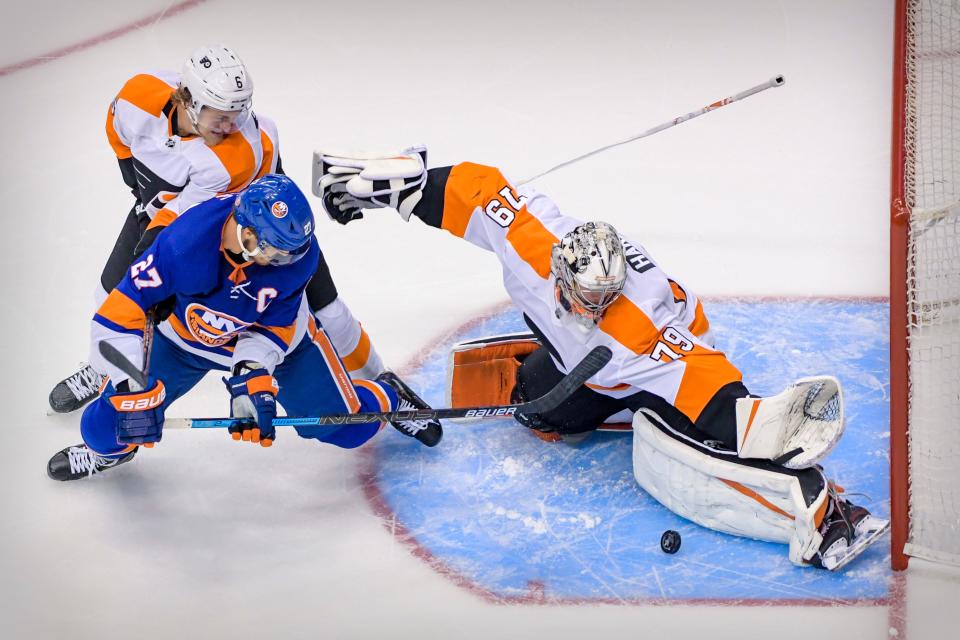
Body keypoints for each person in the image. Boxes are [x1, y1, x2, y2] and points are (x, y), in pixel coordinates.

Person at [313, 151, 888, 571]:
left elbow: (701, 371)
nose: (594, 307)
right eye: (587, 297)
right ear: (560, 271)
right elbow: (476, 188)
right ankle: (604, 400)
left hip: (659, 349)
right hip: (587, 358)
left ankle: (808, 504)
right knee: (538, 413)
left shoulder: (637, 327)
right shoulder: (536, 242)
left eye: (604, 298)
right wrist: (378, 185)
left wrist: (760, 419)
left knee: (684, 412)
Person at [49, 45, 383, 414]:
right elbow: (119, 136)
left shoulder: (235, 156)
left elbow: (193, 223)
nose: (230, 126)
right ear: (189, 100)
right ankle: (103, 372)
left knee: (327, 308)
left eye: (237, 114)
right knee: (111, 294)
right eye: (222, 116)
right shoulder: (138, 99)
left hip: (259, 227)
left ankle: (378, 377)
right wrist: (139, 195)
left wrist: (153, 255)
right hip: (170, 209)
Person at [47, 174, 441, 483]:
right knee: (103, 428)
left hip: (284, 350)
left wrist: (250, 375)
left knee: (348, 428)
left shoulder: (298, 260)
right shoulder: (185, 244)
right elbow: (116, 315)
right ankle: (112, 454)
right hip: (182, 342)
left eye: (292, 253)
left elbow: (276, 328)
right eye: (277, 251)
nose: (285, 261)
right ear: (247, 233)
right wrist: (130, 387)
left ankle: (390, 396)